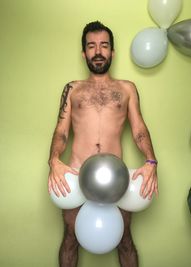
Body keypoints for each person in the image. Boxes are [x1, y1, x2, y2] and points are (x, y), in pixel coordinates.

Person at [48, 21, 158, 267]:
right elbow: (61, 131)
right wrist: (54, 160)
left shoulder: (127, 89)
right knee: (69, 239)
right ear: (84, 53)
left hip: (115, 178)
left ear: (112, 52)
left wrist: (151, 161)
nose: (98, 51)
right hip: (76, 176)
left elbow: (139, 129)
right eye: (91, 46)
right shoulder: (72, 89)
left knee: (125, 239)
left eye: (104, 46)